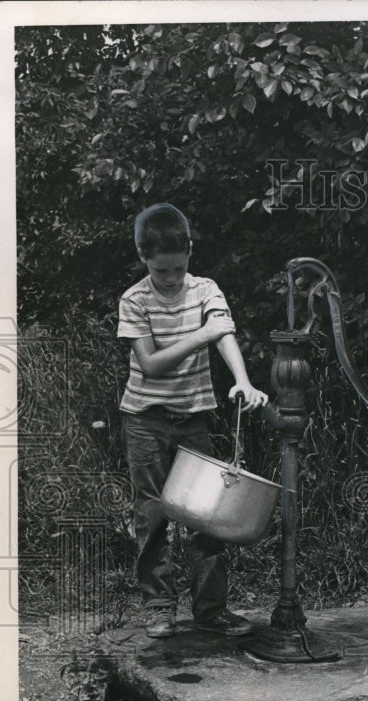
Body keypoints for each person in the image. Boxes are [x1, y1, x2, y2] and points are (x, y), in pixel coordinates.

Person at [118, 203, 269, 639]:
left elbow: (224, 335)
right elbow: (150, 365)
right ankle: (159, 607)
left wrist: (243, 381)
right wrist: (199, 334)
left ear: (190, 252)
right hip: (145, 420)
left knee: (209, 515)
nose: (170, 279)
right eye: (161, 271)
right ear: (143, 257)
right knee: (152, 514)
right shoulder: (135, 299)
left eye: (178, 269)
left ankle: (211, 609)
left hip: (193, 419)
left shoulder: (205, 289)